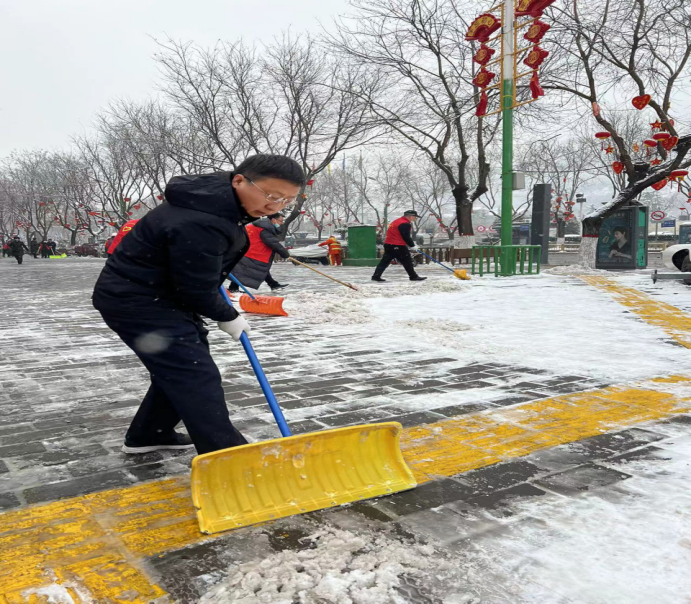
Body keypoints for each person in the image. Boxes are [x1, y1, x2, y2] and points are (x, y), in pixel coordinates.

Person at [92, 154, 304, 455]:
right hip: (137, 300)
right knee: (194, 374)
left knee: (184, 367)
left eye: (286, 201)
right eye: (271, 195)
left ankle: (150, 433)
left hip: (159, 296)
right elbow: (194, 286)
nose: (275, 206)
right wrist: (227, 314)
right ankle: (230, 460)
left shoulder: (217, 203)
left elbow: (195, 274)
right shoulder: (202, 218)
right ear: (239, 180)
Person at [230, 212, 291, 292]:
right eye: (280, 221)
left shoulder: (261, 225)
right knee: (244, 271)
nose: (281, 223)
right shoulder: (265, 228)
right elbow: (272, 243)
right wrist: (285, 254)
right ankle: (233, 288)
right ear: (273, 220)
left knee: (258, 270)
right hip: (252, 252)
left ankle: (273, 284)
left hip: (248, 251)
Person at [372, 210, 427, 282]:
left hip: (388, 244)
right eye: (414, 217)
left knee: (385, 261)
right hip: (398, 245)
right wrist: (412, 245)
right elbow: (406, 236)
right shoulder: (405, 224)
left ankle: (376, 276)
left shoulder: (397, 221)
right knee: (407, 261)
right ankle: (413, 276)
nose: (415, 218)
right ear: (410, 216)